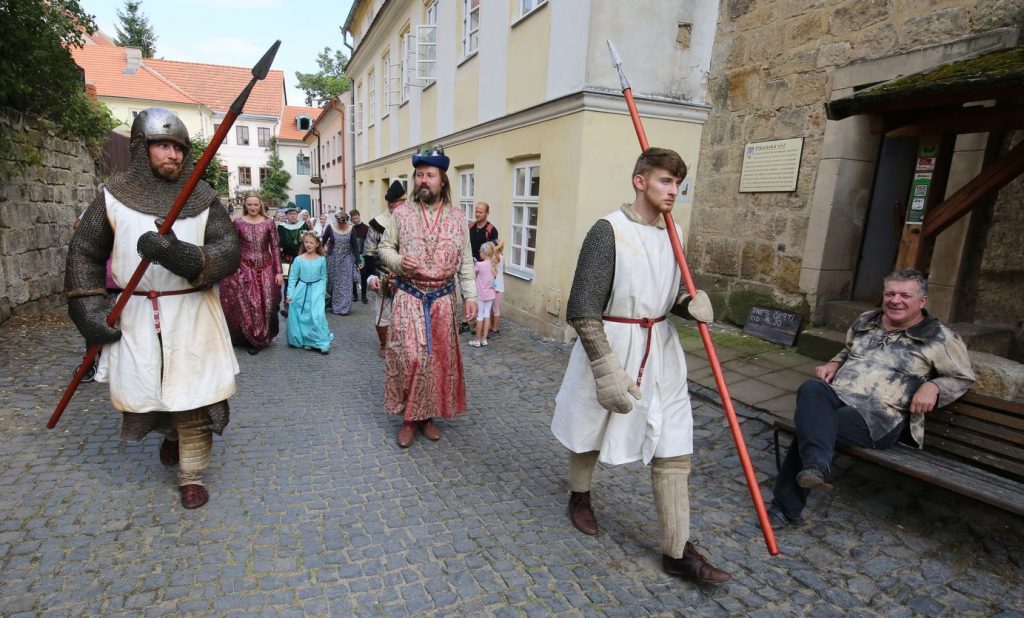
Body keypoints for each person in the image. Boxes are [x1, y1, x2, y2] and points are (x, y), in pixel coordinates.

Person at [550, 147, 731, 584]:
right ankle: (579, 496)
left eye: (678, 183)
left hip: (660, 347)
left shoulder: (676, 233)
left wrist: (688, 305)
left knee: (674, 438)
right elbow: (583, 308)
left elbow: (670, 292)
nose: (673, 191)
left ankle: (676, 550)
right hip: (611, 343)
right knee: (590, 426)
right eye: (666, 181)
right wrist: (605, 367)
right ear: (640, 180)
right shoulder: (607, 231)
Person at [64, 107, 240, 510]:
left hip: (193, 313)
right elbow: (84, 254)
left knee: (197, 397)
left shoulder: (202, 197)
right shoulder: (113, 197)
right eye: (162, 146)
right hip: (138, 313)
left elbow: (228, 250)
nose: (173, 155)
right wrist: (88, 308)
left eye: (179, 148)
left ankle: (192, 476)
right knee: (151, 394)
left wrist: (181, 255)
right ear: (142, 149)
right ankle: (171, 435)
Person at [768, 268, 975, 529]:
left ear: (922, 301)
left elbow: (962, 377)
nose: (895, 300)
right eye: (890, 294)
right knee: (812, 389)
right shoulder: (867, 321)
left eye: (905, 295)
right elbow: (849, 350)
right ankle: (815, 466)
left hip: (881, 417)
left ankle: (785, 509)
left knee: (814, 427)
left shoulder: (940, 338)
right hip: (841, 394)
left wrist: (934, 386)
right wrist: (834, 363)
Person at [378, 146, 477, 448]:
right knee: (410, 358)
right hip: (410, 296)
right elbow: (384, 248)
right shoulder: (402, 213)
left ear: (442, 180)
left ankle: (428, 417)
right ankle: (409, 419)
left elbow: (466, 261)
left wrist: (470, 296)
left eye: (430, 175)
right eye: (419, 175)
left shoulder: (458, 217)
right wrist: (398, 262)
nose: (423, 180)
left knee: (435, 362)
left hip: (443, 301)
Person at [219, 192, 283, 355]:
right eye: (249, 204)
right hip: (245, 268)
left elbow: (275, 248)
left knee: (268, 303)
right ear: (245, 205)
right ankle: (254, 338)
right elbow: (233, 247)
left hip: (267, 267)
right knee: (251, 304)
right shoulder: (238, 223)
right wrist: (232, 268)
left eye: (256, 204)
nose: (253, 207)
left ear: (260, 205)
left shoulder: (269, 223)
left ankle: (265, 334)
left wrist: (279, 272)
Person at [365, 180, 405, 357]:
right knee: (383, 311)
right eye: (393, 203)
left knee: (406, 313)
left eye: (400, 202)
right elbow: (369, 252)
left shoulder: (412, 222)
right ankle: (384, 344)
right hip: (384, 274)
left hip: (406, 275)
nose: (396, 206)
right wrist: (371, 277)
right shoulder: (377, 224)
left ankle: (404, 344)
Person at [286, 232, 333, 354]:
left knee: (317, 315)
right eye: (306, 242)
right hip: (302, 290)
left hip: (317, 290)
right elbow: (293, 278)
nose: (308, 244)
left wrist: (322, 290)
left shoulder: (321, 259)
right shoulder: (299, 260)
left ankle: (321, 341)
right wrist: (290, 294)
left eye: (311, 242)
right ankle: (308, 340)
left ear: (317, 244)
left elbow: (323, 276)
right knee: (304, 316)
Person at [321, 211, 359, 316]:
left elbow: (355, 246)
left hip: (346, 258)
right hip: (332, 259)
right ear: (336, 220)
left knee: (346, 284)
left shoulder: (351, 229)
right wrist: (316, 255)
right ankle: (330, 302)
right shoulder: (330, 227)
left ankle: (344, 308)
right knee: (332, 283)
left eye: (344, 223)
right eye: (340, 223)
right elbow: (323, 242)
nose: (342, 225)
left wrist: (358, 260)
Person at [469, 242, 497, 348]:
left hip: (481, 293)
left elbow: (473, 275)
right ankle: (484, 339)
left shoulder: (479, 265)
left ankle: (477, 340)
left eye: (480, 251)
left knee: (480, 315)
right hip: (490, 293)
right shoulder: (493, 264)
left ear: (484, 253)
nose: (479, 253)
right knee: (487, 315)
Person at [350, 209, 370, 303]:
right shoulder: (350, 229)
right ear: (351, 219)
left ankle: (364, 296)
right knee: (353, 275)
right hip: (352, 254)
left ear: (359, 216)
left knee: (363, 275)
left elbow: (369, 242)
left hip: (362, 254)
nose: (356, 220)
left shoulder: (366, 228)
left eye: (357, 218)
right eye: (354, 218)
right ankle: (355, 295)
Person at [489, 240, 505, 337]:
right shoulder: (491, 257)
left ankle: (496, 328)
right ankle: (491, 326)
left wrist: (499, 245)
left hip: (498, 288)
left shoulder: (501, 257)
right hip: (491, 287)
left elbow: (494, 252)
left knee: (496, 308)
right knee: (491, 309)